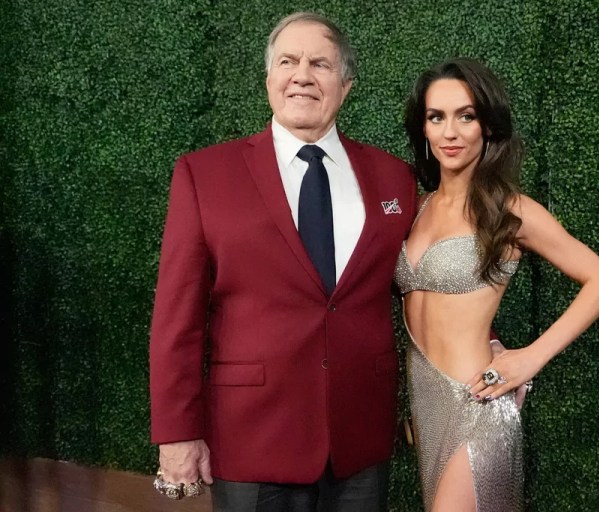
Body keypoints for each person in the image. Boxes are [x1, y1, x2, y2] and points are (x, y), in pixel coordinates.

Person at [149, 12, 417, 511]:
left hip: (359, 442)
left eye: (321, 63)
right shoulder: (204, 174)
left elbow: (418, 286)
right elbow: (176, 319)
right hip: (252, 438)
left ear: (347, 84)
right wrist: (177, 433)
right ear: (269, 78)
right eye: (288, 61)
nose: (302, 75)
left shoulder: (394, 178)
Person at [396, 58, 599, 512]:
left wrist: (531, 358)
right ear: (423, 128)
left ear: (489, 127)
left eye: (467, 116)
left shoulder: (510, 209)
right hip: (424, 407)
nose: (450, 132)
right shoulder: (416, 207)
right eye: (437, 117)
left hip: (476, 404)